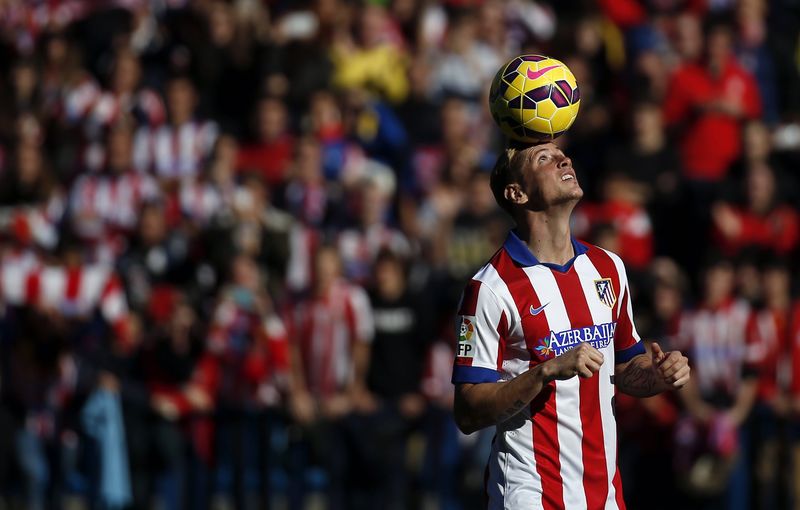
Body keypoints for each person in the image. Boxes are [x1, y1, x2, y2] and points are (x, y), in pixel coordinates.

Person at [451, 141, 691, 509]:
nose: (564, 159)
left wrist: (658, 374)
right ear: (516, 193)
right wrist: (546, 371)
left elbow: (623, 368)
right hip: (530, 493)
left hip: (604, 494)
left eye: (561, 154)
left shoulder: (608, 267)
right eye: (543, 158)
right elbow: (468, 412)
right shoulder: (490, 288)